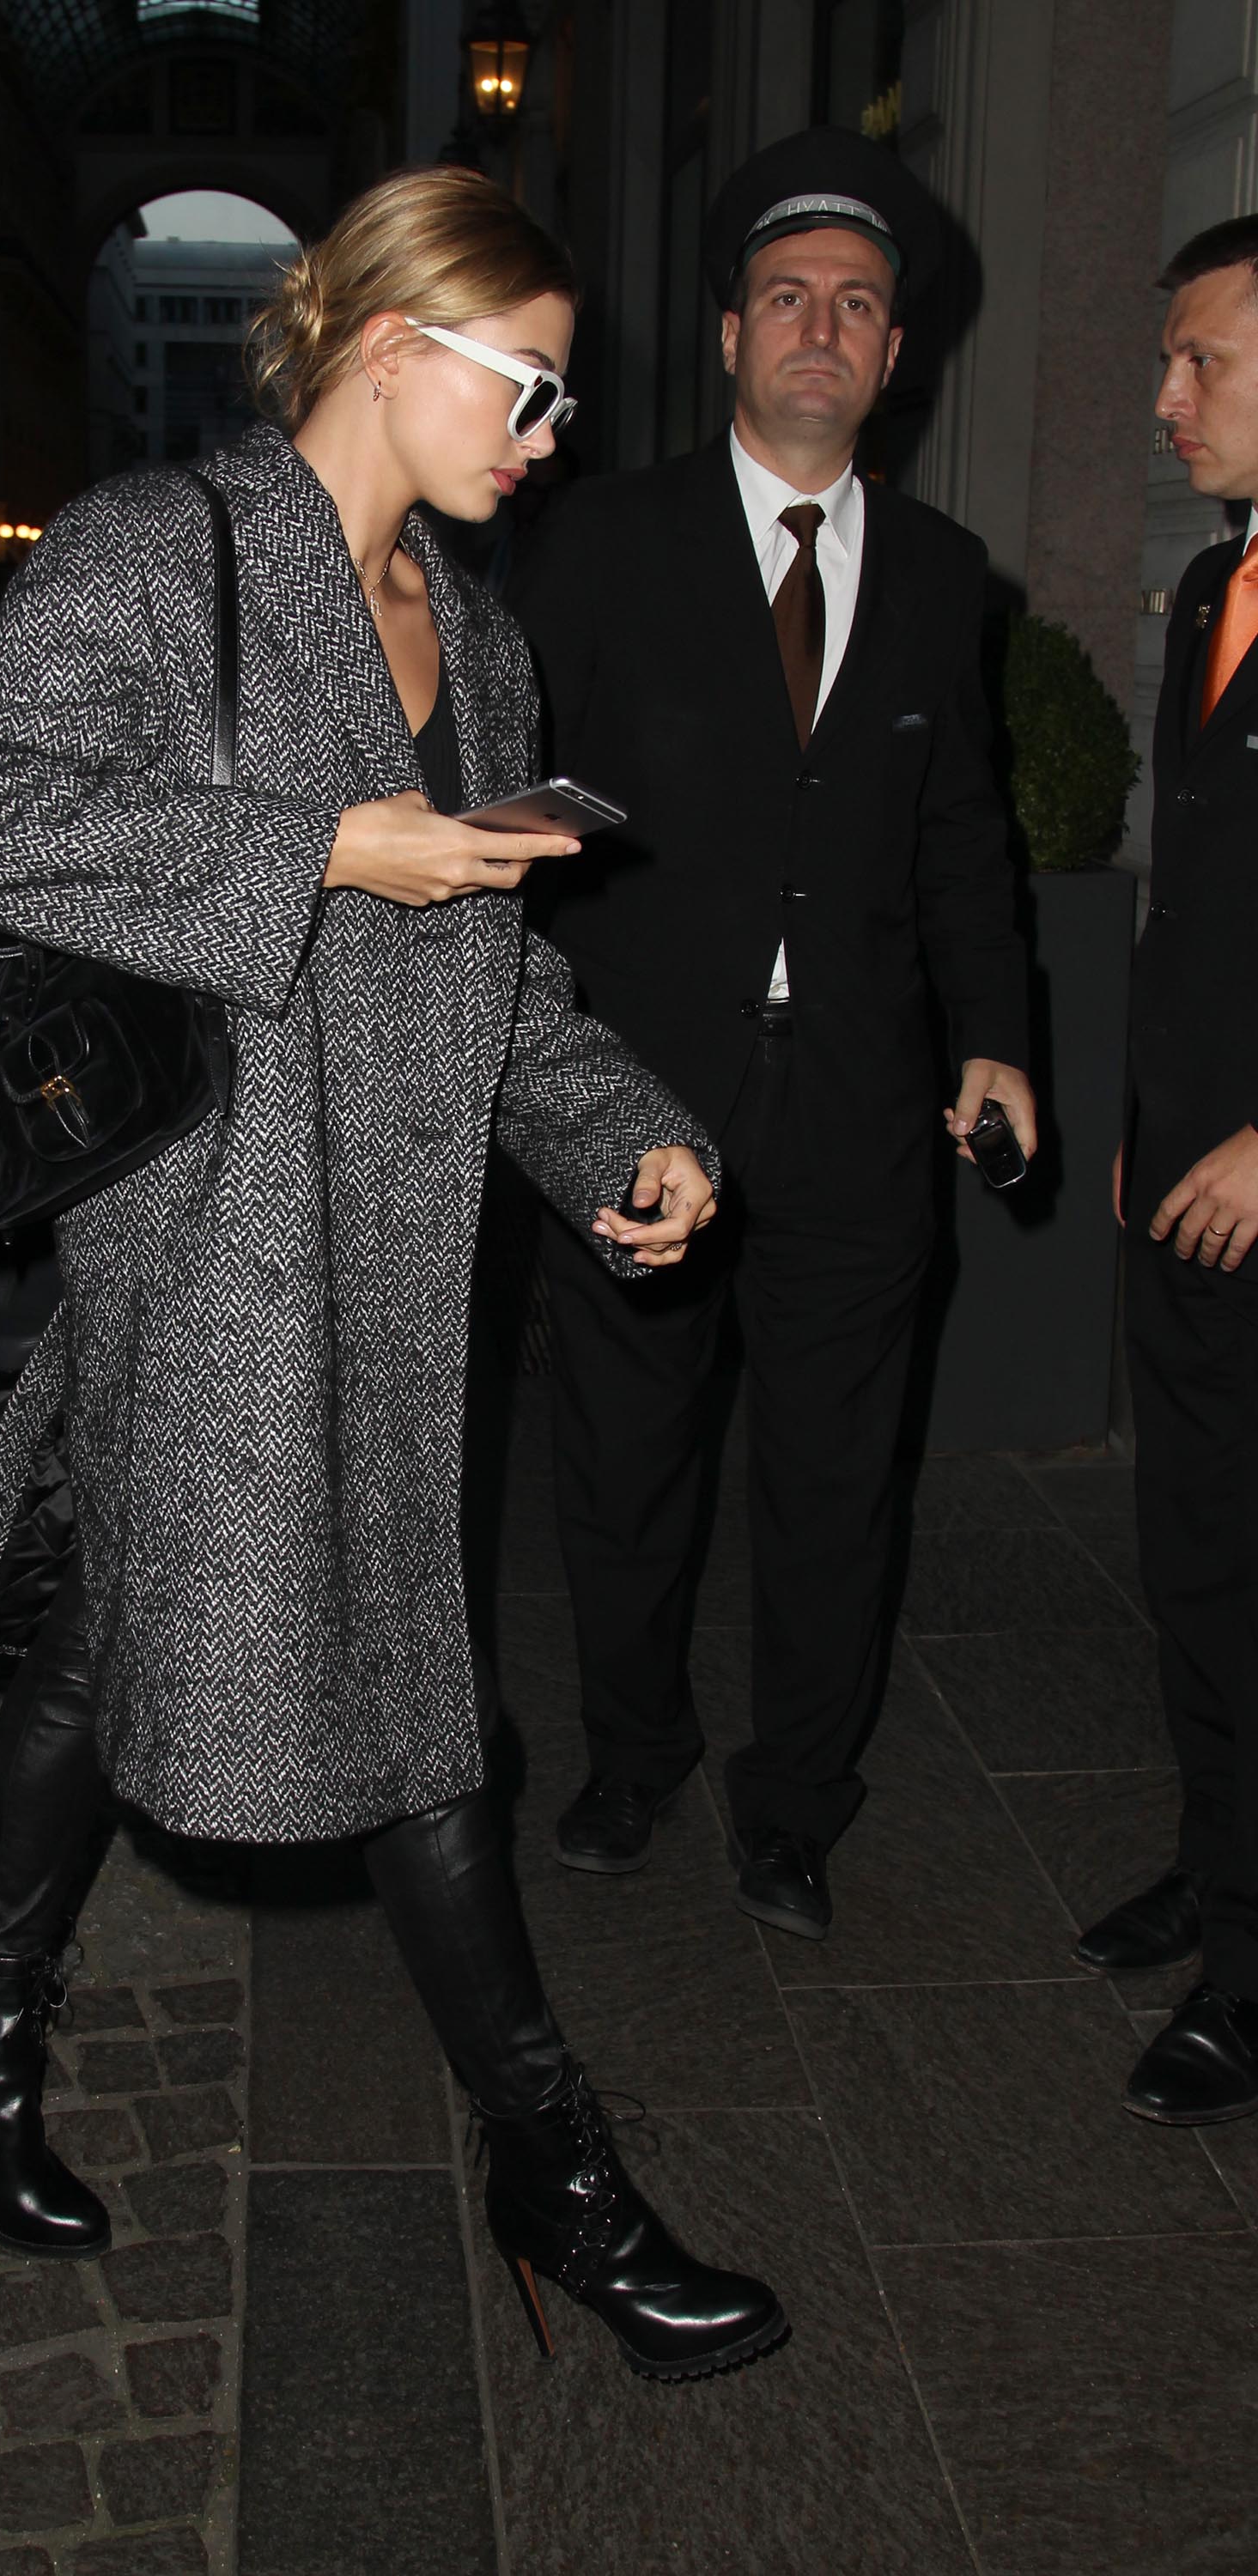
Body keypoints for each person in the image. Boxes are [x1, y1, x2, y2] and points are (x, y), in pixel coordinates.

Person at [0, 166, 786, 2382]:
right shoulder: (156, 552)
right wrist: (312, 846)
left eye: (563, 397)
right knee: (413, 1719)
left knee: (109, 1642)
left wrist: (625, 1130)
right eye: (530, 384)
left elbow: (502, 981)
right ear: (395, 344)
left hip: (399, 1274)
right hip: (214, 1265)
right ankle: (554, 2172)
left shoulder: (482, 641)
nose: (553, 431)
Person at [509, 130, 1034, 1935]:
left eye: (858, 304)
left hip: (864, 1111)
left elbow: (962, 831)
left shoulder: (947, 574)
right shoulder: (599, 542)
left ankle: (796, 1799)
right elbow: (516, 802)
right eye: (788, 297)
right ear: (730, 335)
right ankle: (631, 1753)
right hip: (638, 1089)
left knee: (835, 1480)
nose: (823, 327)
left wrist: (996, 1034)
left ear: (895, 352)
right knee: (624, 1456)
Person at [1077, 216, 1258, 2126]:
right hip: (1189, 1176)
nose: (1165, 398)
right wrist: (1156, 1108)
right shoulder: (1214, 584)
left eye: (1202, 358)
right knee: (1196, 1555)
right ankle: (1222, 1871)